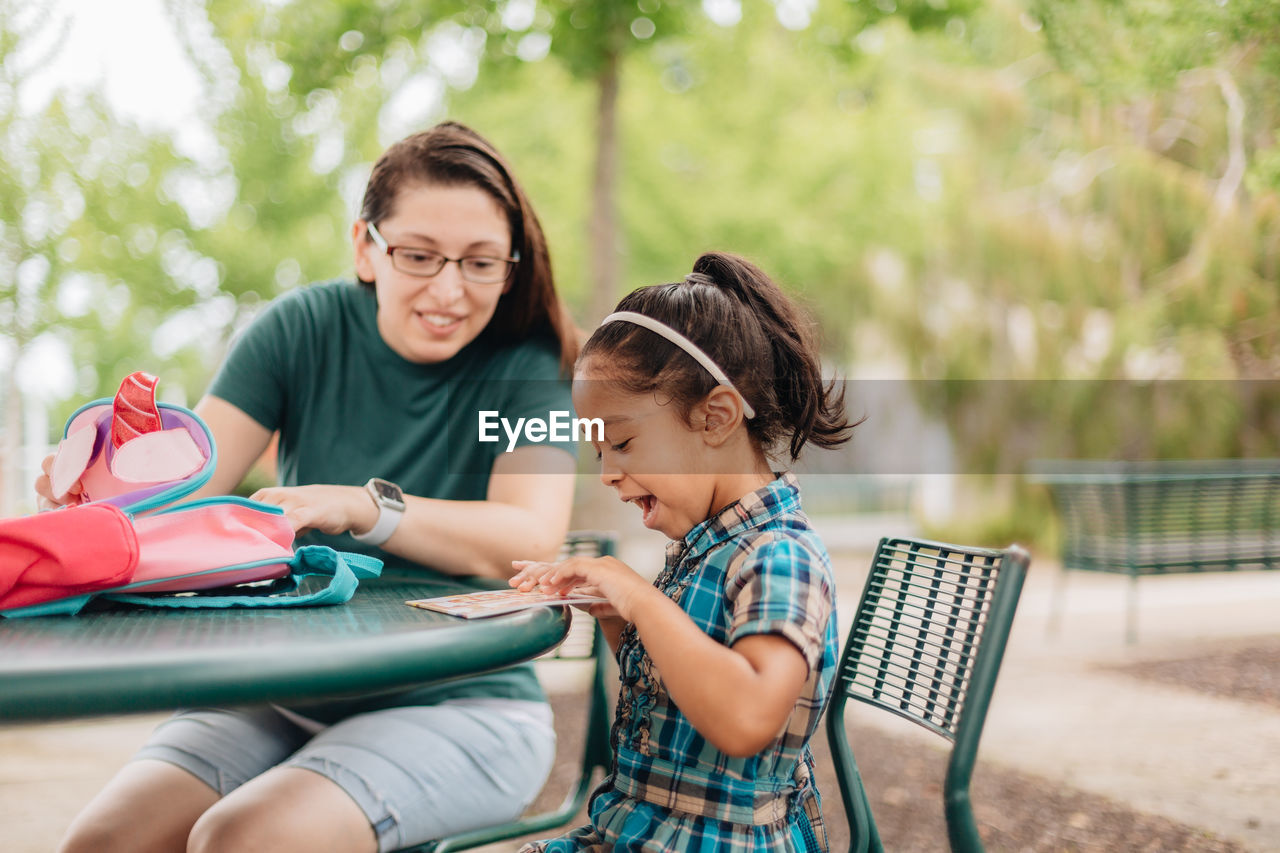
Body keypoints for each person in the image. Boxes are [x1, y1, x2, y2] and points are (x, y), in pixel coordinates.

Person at [38, 122, 580, 853]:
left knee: (243, 838)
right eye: (419, 255)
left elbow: (528, 535)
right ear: (365, 246)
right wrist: (97, 496)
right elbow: (185, 490)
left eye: (482, 263)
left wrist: (366, 507)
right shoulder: (298, 329)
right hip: (281, 693)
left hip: (469, 702)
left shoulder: (525, 363)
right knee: (102, 843)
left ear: (511, 269)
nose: (450, 288)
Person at [509, 252, 856, 852]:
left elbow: (745, 718)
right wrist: (616, 616)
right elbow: (679, 698)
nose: (608, 473)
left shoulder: (780, 556)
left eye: (621, 442)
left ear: (715, 417)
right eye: (598, 452)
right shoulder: (706, 547)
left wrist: (641, 599)